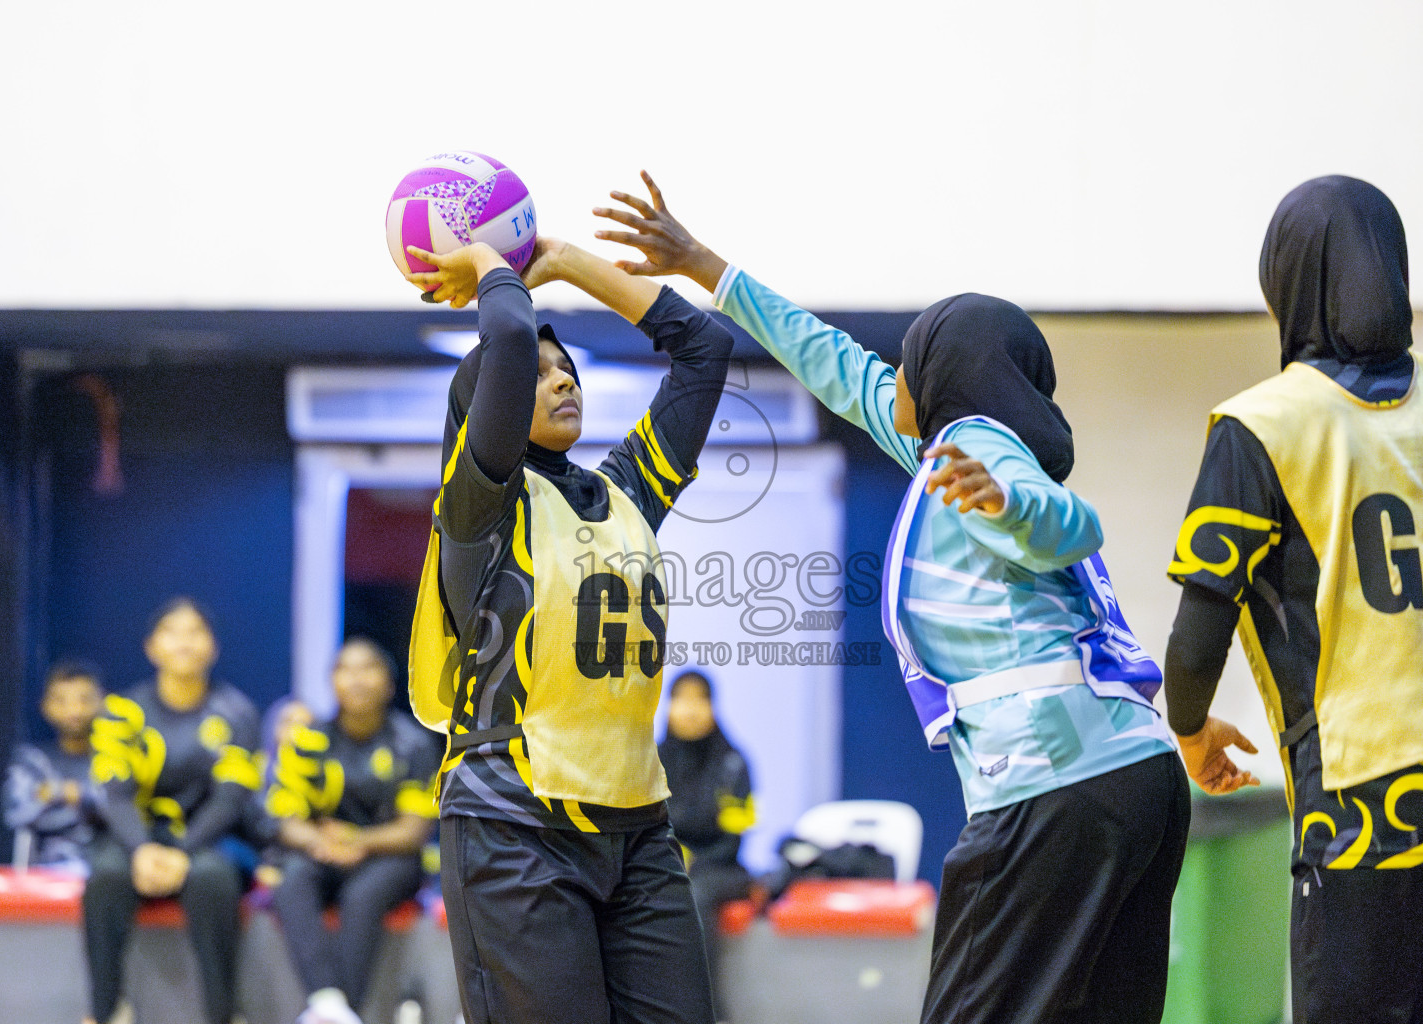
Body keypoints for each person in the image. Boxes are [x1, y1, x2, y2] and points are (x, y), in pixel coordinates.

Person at [594, 174, 1189, 1024]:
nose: (891, 374)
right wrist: (707, 267)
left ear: (948, 374)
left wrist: (1011, 503)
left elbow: (1068, 524)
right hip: (1137, 773)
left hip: (1054, 783)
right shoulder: (943, 451)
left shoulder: (976, 447)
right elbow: (831, 360)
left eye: (908, 361)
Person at [1162, 175, 1423, 1024]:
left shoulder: (1263, 424)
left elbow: (1198, 635)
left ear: (1286, 280)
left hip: (1361, 793)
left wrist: (1192, 729)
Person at [403, 229, 733, 1024]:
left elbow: (705, 349)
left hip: (636, 823)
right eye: (538, 375)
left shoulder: (625, 494)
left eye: (568, 371)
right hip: (513, 823)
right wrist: (489, 261)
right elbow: (510, 338)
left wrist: (569, 264)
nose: (559, 380)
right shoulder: (478, 507)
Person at [85, 598, 262, 1024]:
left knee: (212, 877)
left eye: (195, 632)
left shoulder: (237, 712)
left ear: (213, 648)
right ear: (152, 647)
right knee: (106, 875)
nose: (184, 642)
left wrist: (183, 852)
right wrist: (143, 850)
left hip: (212, 840)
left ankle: (224, 1014)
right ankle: (106, 1012)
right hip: (138, 838)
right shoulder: (122, 712)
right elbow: (115, 795)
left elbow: (230, 799)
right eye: (172, 632)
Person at [267, 637, 438, 1024]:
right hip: (324, 851)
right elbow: (285, 819)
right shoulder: (309, 739)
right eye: (345, 669)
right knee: (291, 880)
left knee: (363, 895)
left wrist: (357, 840)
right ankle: (330, 1001)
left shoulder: (413, 743)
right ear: (332, 681)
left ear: (390, 684)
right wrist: (321, 840)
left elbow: (413, 831)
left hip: (391, 859)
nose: (357, 679)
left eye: (368, 669)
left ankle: (338, 1009)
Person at [656, 670, 754, 1003]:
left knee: (693, 894)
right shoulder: (651, 762)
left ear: (713, 706)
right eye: (681, 699)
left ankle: (703, 1004)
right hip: (664, 862)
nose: (690, 709)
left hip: (720, 868)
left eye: (700, 699)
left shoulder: (733, 764)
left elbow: (735, 840)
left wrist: (694, 861)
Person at [4, 660, 105, 871]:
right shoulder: (32, 760)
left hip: (108, 871)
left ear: (102, 701)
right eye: (61, 701)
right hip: (48, 871)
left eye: (84, 699)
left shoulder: (117, 758)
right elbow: (16, 814)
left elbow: (125, 810)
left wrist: (56, 793)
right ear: (45, 706)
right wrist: (85, 802)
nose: (74, 710)